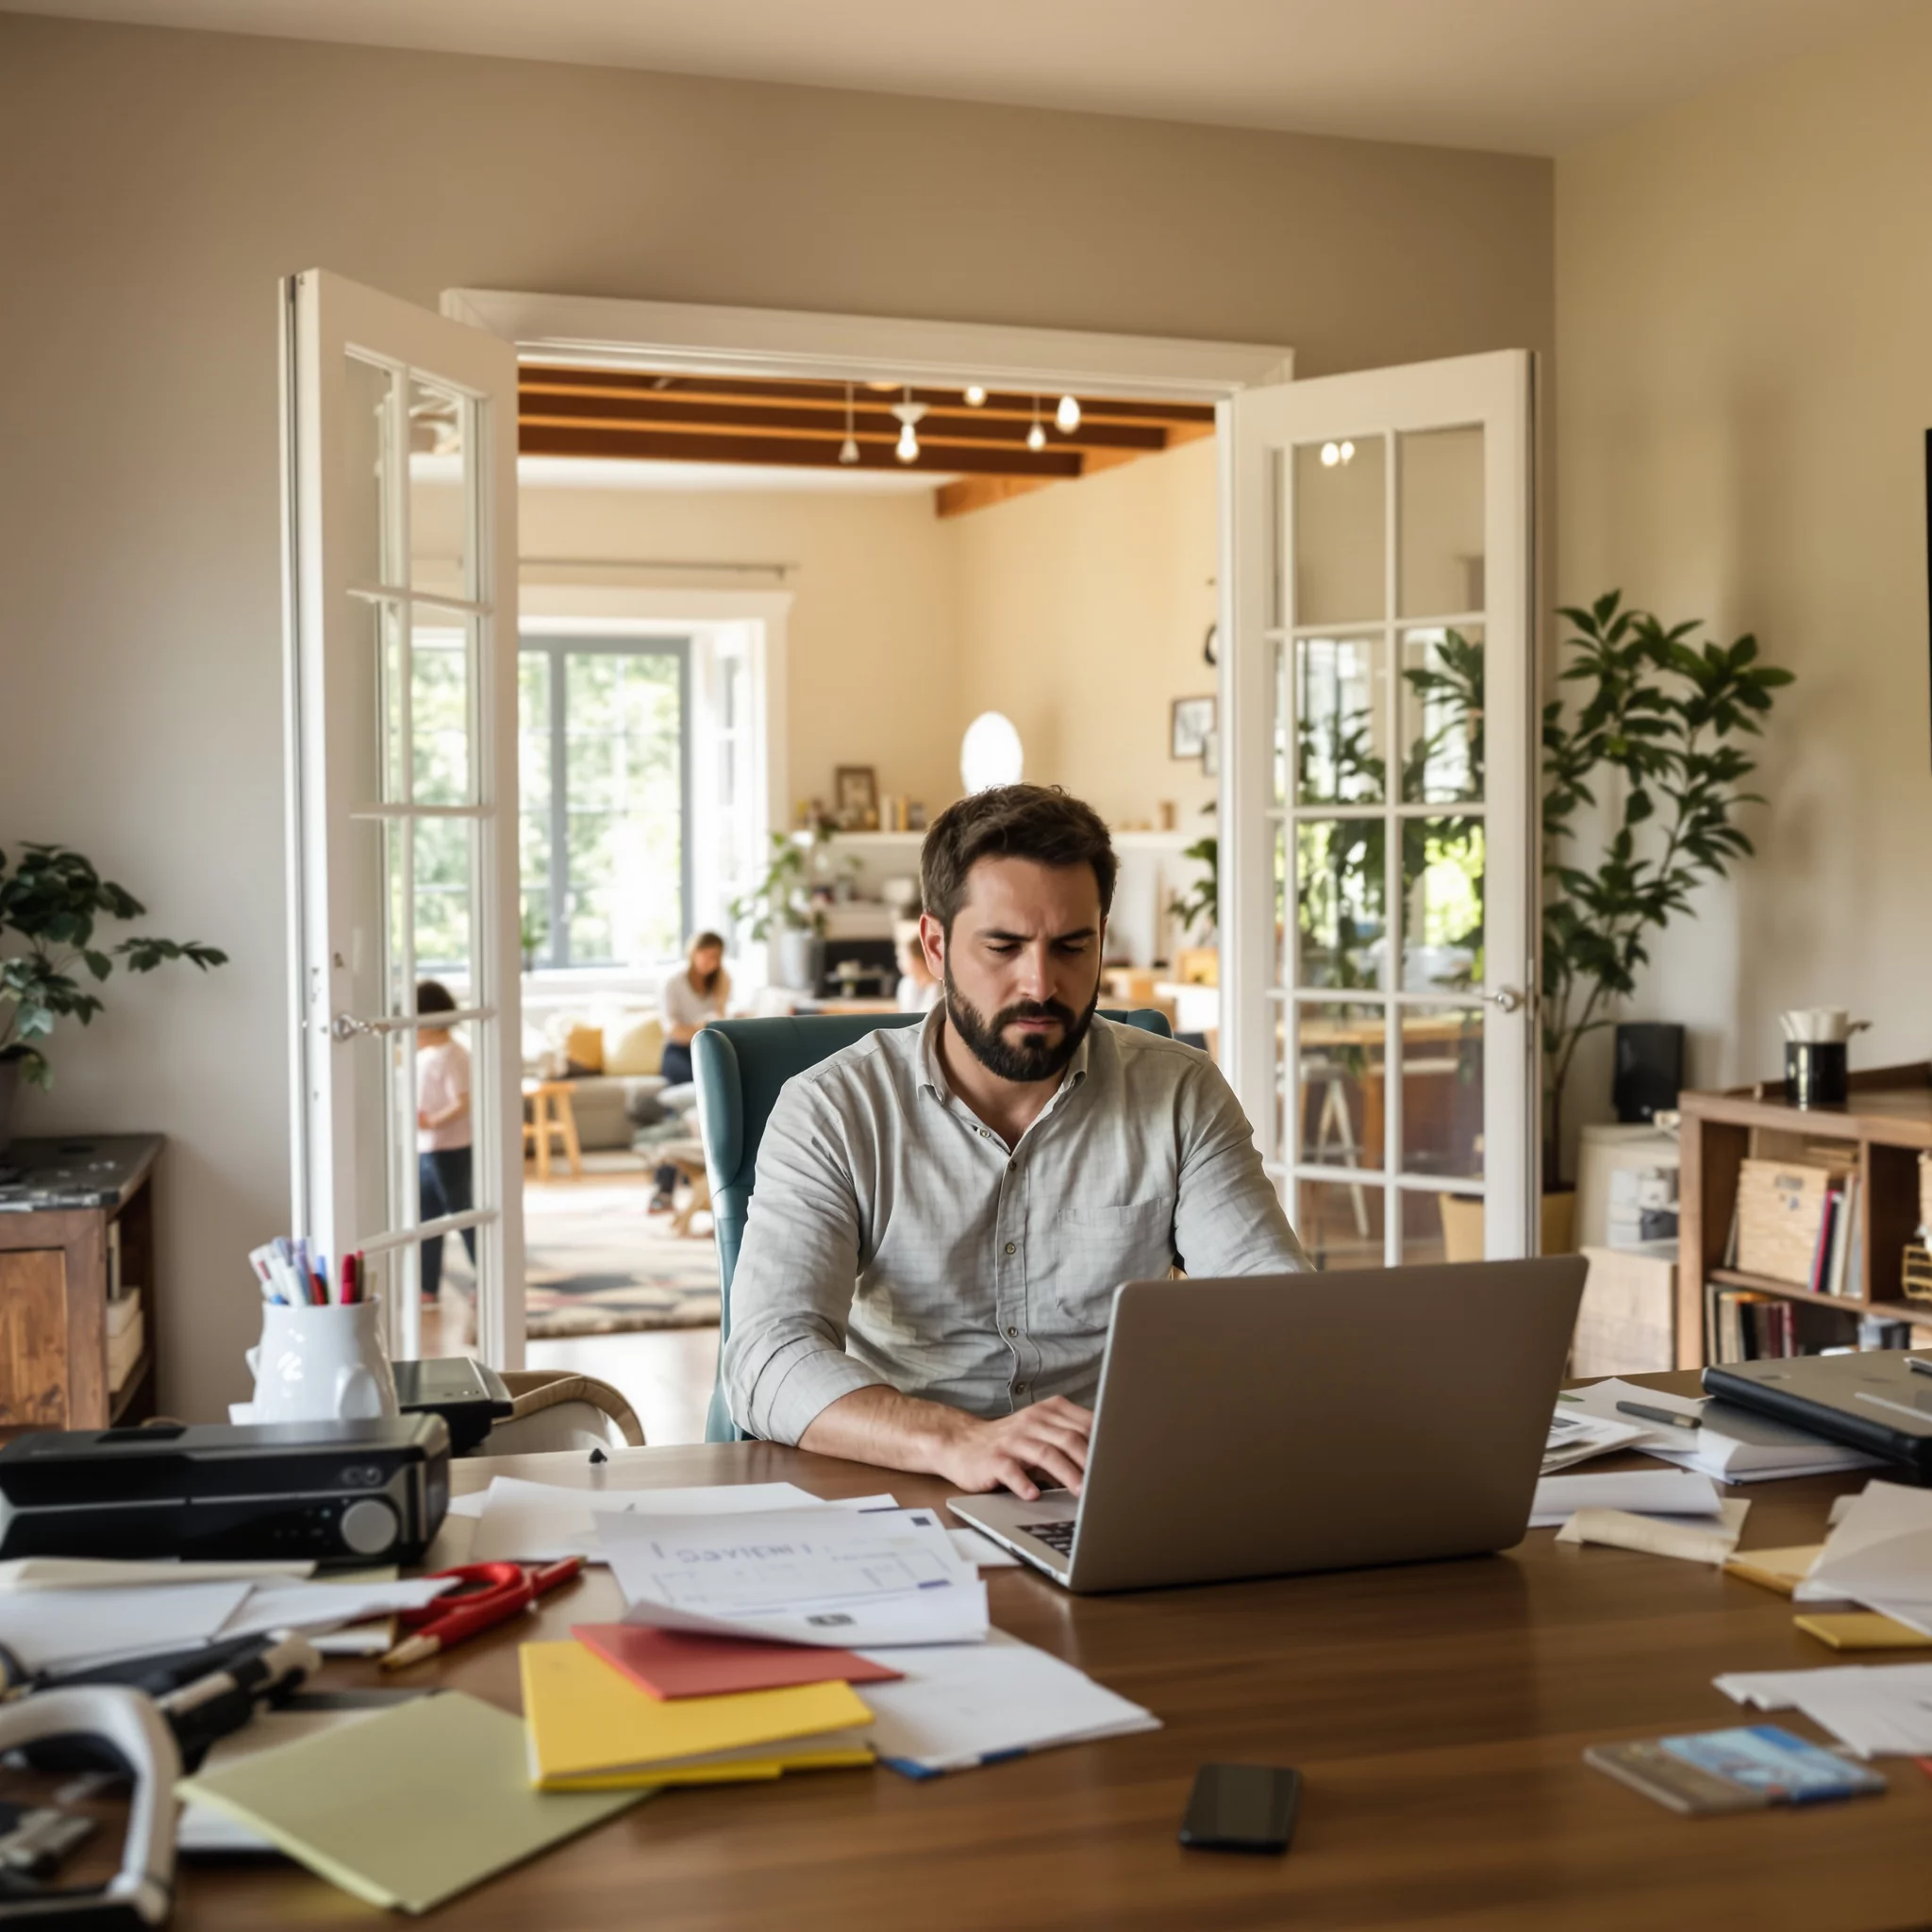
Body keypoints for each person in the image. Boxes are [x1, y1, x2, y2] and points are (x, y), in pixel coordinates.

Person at [721, 783, 1308, 1500]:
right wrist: (955, 1439)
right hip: (904, 1485)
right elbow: (765, 1357)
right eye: (1003, 946)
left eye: (1071, 946)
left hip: (1110, 1492)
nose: (1041, 983)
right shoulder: (832, 1109)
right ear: (935, 946)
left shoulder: (1179, 1092)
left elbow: (1279, 1316)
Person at [651, 931, 730, 1212]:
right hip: (678, 1053)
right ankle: (663, 1187)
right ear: (694, 953)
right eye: (708, 955)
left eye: (717, 957)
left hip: (706, 1049)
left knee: (719, 1103)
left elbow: (721, 1019)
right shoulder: (673, 983)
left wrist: (703, 1028)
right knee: (682, 1106)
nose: (713, 962)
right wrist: (703, 1028)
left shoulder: (721, 980)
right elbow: (673, 1031)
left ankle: (711, 1183)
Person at [415, 980, 476, 1300]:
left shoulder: (455, 1055)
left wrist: (432, 1122)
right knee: (426, 1219)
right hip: (426, 1148)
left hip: (451, 1147)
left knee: (463, 1213)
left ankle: (485, 1274)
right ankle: (427, 1285)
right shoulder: (425, 1055)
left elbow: (463, 1102)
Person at [893, 923, 941, 1012]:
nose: (899, 962)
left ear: (917, 961)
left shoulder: (940, 989)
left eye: (903, 957)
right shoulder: (906, 984)